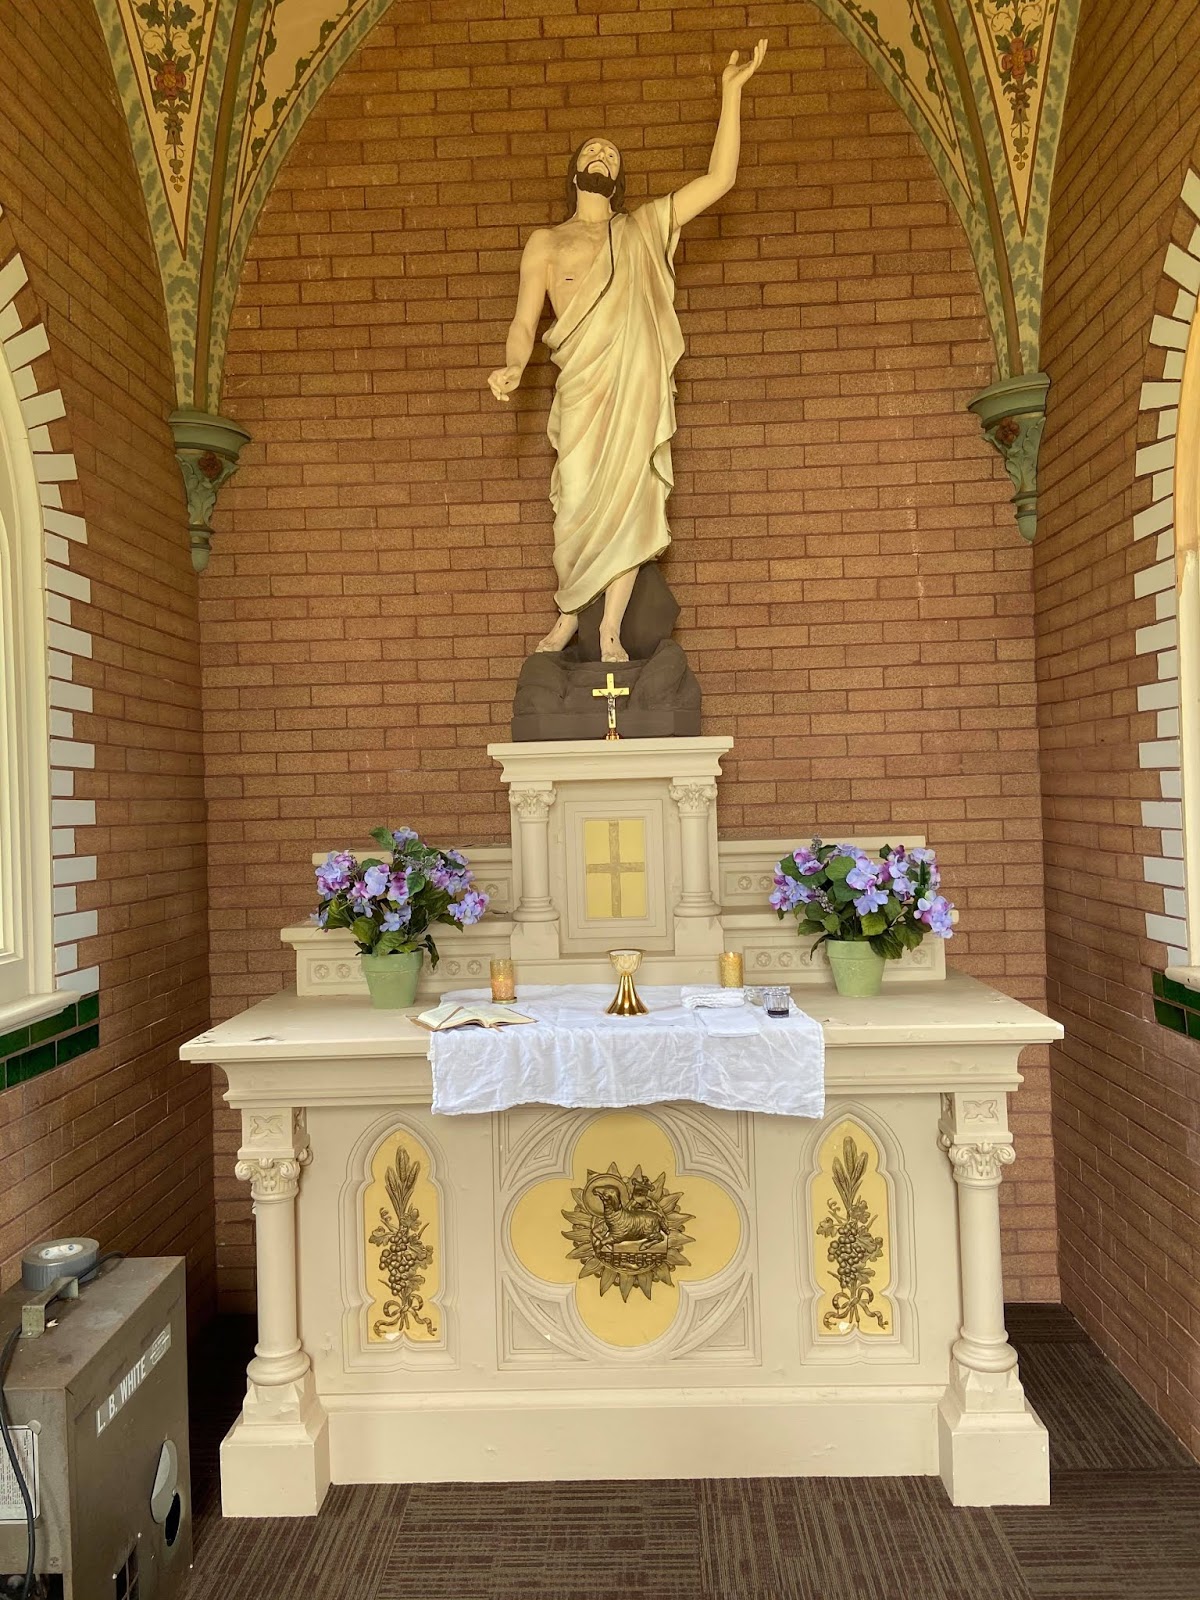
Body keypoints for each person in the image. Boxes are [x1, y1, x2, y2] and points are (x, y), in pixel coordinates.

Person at [488, 40, 768, 663]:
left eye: (610, 155)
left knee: (632, 505)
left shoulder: (640, 229)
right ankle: (567, 612)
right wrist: (512, 364)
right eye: (591, 152)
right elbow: (523, 322)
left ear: (618, 178)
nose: (600, 157)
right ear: (575, 171)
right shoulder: (545, 242)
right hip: (582, 388)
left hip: (633, 389)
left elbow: (719, 180)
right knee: (579, 497)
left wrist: (732, 91)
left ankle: (608, 628)